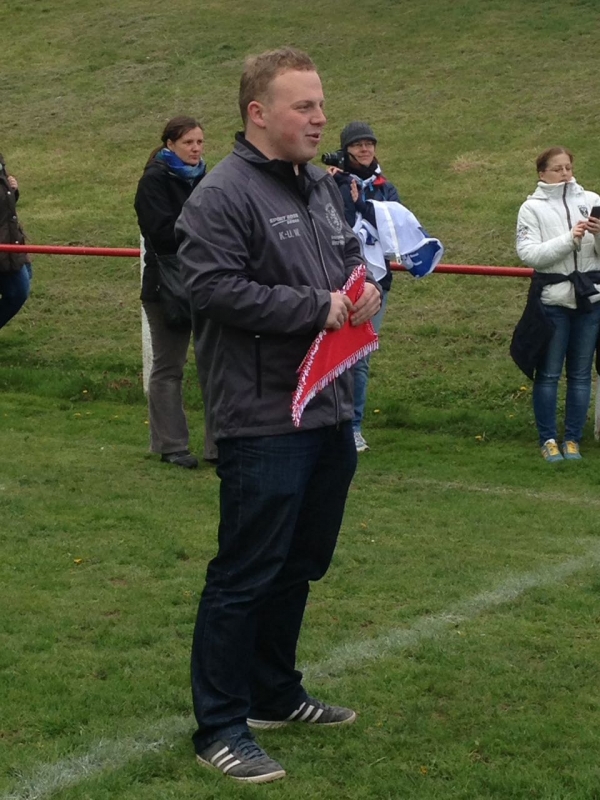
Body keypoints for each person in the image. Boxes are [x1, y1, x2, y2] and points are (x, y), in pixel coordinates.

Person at [176, 47, 381, 783]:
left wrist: (363, 290)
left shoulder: (321, 185)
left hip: (328, 408)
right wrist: (315, 308)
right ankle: (220, 725)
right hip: (262, 417)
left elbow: (348, 256)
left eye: (321, 103)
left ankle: (273, 692)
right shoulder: (221, 195)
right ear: (259, 113)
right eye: (305, 106)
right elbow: (209, 288)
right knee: (246, 571)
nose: (321, 118)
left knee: (301, 562)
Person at [134, 116, 216, 468]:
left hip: (207, 280)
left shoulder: (206, 178)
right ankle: (171, 444)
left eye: (199, 142)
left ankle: (219, 444)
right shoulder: (154, 180)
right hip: (166, 285)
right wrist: (204, 228)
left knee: (216, 364)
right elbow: (161, 232)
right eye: (188, 143)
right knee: (169, 366)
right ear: (170, 144)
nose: (196, 149)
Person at [514, 146, 600, 462]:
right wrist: (569, 239)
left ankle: (573, 439)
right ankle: (548, 439)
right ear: (542, 173)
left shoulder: (591, 200)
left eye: (568, 168)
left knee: (580, 374)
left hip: (590, 300)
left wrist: (598, 235)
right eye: (557, 169)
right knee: (549, 374)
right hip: (552, 301)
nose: (564, 174)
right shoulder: (531, 208)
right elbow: (530, 255)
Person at [328, 122, 401, 452]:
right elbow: (332, 226)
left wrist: (362, 205)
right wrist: (340, 186)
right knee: (330, 352)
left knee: (360, 356)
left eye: (369, 143)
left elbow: (394, 228)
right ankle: (327, 420)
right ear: (345, 150)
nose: (365, 149)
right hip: (338, 277)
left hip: (377, 282)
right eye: (357, 144)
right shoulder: (332, 182)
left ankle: (353, 426)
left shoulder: (385, 187)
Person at [0, 153, 32, 330]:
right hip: (4, 248)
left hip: (12, 242)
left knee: (24, 280)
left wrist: (12, 190)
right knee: (17, 292)